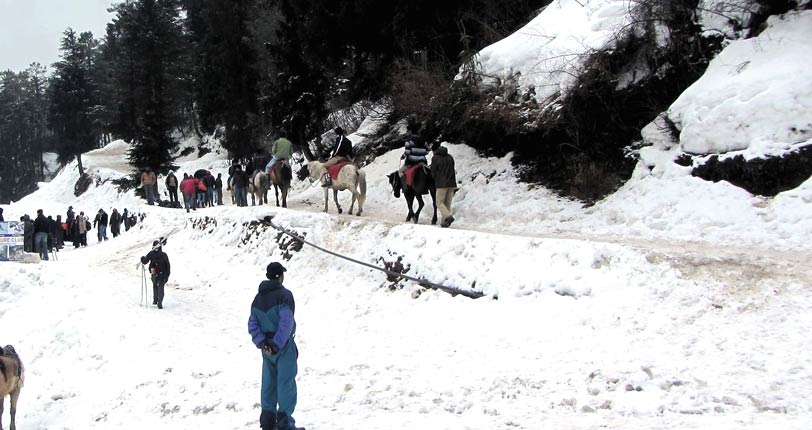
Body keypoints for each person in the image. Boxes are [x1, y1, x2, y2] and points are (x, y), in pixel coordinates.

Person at [248, 262, 301, 430]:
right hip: (283, 346)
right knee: (285, 383)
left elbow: (252, 324)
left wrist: (263, 343)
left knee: (268, 383)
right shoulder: (285, 295)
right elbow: (286, 323)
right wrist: (277, 344)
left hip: (266, 349)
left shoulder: (258, 298)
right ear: (280, 276)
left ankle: (268, 423)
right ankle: (285, 425)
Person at [430, 145, 458, 228]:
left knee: (439, 202)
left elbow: (433, 172)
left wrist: (435, 178)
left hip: (441, 184)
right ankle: (444, 222)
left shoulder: (435, 158)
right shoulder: (450, 157)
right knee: (447, 203)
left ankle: (448, 217)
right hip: (452, 183)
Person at [140, 238, 170, 309]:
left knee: (155, 286)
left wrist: (142, 258)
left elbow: (145, 261)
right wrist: (167, 275)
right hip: (163, 274)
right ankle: (160, 302)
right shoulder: (164, 255)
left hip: (154, 273)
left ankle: (155, 300)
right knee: (161, 288)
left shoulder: (151, 254)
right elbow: (168, 266)